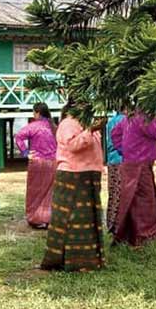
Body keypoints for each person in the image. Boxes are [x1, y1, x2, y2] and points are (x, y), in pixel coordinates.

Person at [40, 104, 107, 272]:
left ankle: (88, 261)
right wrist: (90, 130)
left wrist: (92, 129)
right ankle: (69, 262)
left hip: (89, 175)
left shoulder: (86, 124)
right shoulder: (67, 124)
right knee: (71, 219)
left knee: (89, 219)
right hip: (72, 174)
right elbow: (73, 146)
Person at [110, 110, 156, 247]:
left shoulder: (129, 118)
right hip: (140, 166)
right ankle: (143, 238)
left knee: (131, 201)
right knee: (145, 202)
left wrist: (125, 150)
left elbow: (115, 133)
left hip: (130, 163)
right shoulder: (143, 118)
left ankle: (130, 236)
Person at [14, 102, 57, 229]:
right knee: (50, 191)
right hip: (53, 162)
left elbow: (18, 137)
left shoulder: (33, 126)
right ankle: (49, 217)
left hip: (38, 162)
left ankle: (35, 218)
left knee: (35, 190)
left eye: (34, 112)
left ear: (37, 113)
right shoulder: (54, 127)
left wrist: (25, 152)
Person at [104, 108, 127, 234]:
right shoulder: (126, 121)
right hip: (122, 159)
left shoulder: (111, 121)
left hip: (111, 160)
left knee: (113, 192)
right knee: (122, 193)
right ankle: (120, 225)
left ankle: (111, 222)